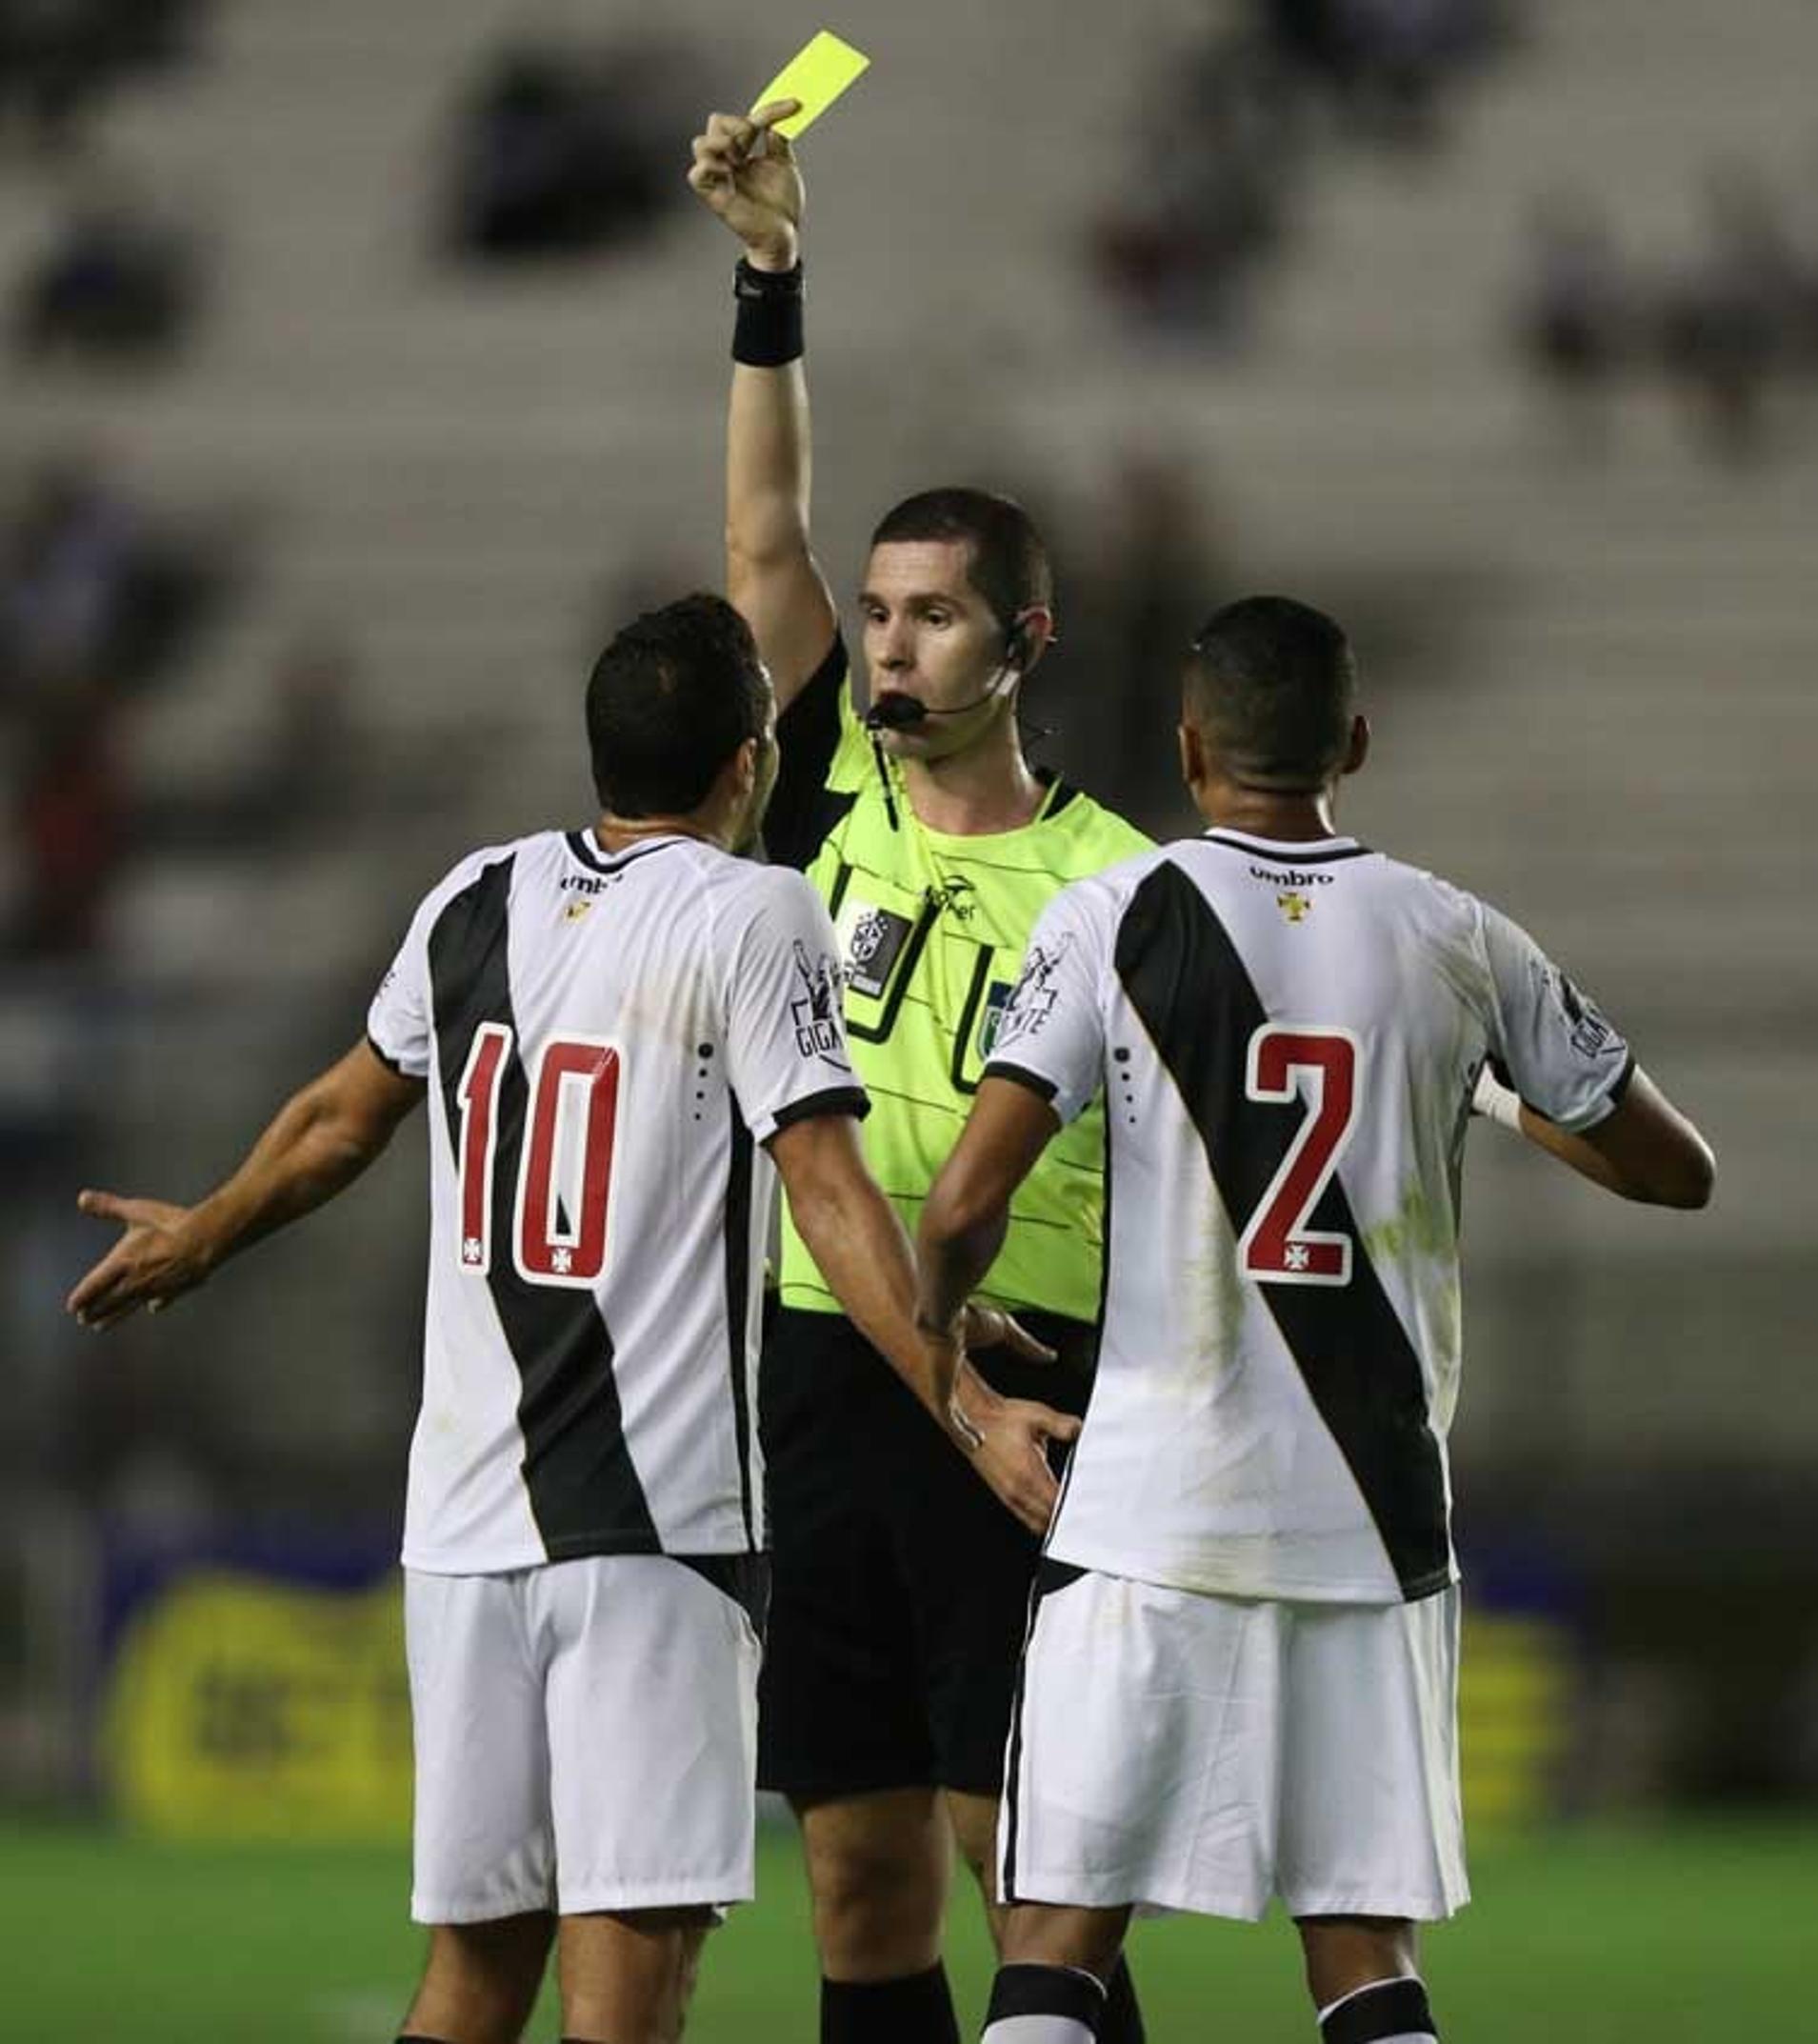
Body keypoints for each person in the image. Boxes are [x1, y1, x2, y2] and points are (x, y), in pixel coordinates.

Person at [66, 592, 1068, 2044]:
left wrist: (205, 1232)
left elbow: (340, 1117)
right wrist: (959, 1395)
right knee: (630, 1980)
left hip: (465, 1536)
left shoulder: (476, 896)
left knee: (474, 1972)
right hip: (648, 1537)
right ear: (746, 765)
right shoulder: (752, 907)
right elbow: (828, 1192)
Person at [915, 594, 1716, 2044]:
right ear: (1355, 739)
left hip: (1153, 1514)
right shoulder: (1458, 936)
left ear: (1188, 743)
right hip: (1368, 1513)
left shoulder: (1115, 914)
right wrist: (1491, 1096)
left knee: (1056, 1942)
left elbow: (967, 1199)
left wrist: (939, 1319)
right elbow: (1679, 1167)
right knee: (1363, 1949)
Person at [686, 103, 1154, 2044]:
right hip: (826, 1355)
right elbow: (755, 536)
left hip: (1031, 1364)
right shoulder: (839, 795)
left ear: (1022, 639)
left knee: (1011, 1849)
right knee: (858, 1870)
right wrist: (770, 275)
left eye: (931, 611)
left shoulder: (1122, 881)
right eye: (876, 612)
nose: (884, 641)